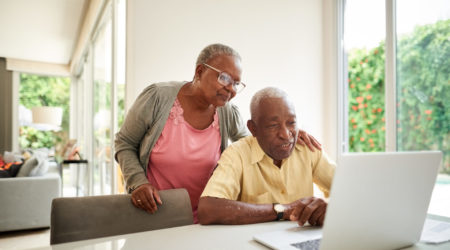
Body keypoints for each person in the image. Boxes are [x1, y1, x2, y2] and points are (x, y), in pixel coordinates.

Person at [114, 44, 321, 223]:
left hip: (207, 216)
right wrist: (138, 182)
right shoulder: (157, 98)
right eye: (224, 78)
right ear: (199, 71)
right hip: (155, 211)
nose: (230, 89)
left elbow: (252, 142)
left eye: (236, 83)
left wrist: (286, 130)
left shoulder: (226, 111)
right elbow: (124, 143)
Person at [198, 87, 336, 226]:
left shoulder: (308, 149)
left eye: (291, 123)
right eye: (273, 125)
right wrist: (283, 210)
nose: (285, 134)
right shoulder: (237, 154)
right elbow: (208, 209)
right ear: (253, 128)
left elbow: (350, 191)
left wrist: (326, 206)